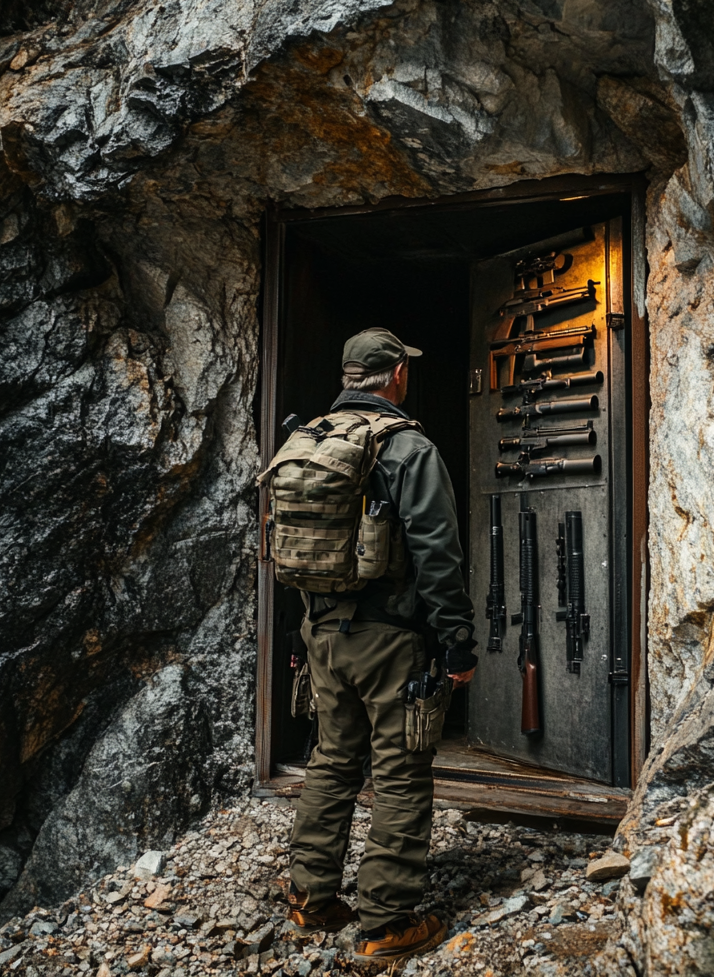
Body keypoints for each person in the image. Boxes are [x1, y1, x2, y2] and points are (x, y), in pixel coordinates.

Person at [285, 327, 478, 964]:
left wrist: (307, 630)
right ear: (395, 375)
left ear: (348, 378)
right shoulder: (406, 446)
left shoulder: (308, 439)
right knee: (399, 771)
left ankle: (311, 899)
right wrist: (457, 641)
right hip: (389, 638)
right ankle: (387, 924)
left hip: (321, 633)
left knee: (332, 759)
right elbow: (438, 554)